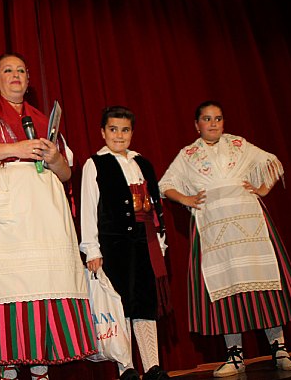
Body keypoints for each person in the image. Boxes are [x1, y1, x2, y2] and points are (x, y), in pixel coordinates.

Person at [0, 53, 96, 379]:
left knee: (44, 280)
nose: (15, 75)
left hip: (44, 212)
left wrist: (55, 156)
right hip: (1, 207)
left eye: (20, 71)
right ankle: (9, 368)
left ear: (28, 80)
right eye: (7, 70)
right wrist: (16, 149)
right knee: (5, 280)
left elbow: (67, 172)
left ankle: (41, 365)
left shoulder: (45, 120)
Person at [158, 100, 291, 377]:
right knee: (224, 289)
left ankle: (279, 348)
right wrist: (187, 199)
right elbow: (165, 185)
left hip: (249, 227)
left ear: (223, 122)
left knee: (263, 284)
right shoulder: (188, 154)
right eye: (207, 118)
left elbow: (272, 162)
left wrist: (262, 189)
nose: (213, 123)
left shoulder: (239, 145)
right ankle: (234, 355)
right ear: (197, 124)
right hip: (213, 231)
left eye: (218, 118)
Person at [80, 106, 171, 380]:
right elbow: (88, 208)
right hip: (114, 245)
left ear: (132, 132)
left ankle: (152, 365)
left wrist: (161, 240)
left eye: (125, 129)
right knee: (122, 304)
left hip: (145, 242)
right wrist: (91, 249)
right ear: (103, 132)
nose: (119, 135)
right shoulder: (95, 163)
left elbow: (155, 204)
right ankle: (126, 367)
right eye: (113, 129)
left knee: (145, 302)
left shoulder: (142, 162)